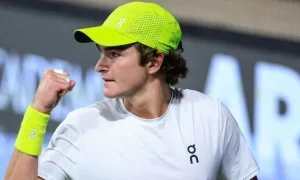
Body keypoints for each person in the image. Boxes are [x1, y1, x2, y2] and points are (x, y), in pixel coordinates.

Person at [5, 2, 260, 180]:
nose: (99, 66)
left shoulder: (210, 116)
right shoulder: (82, 126)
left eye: (114, 54)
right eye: (101, 52)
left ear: (154, 61)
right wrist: (38, 112)